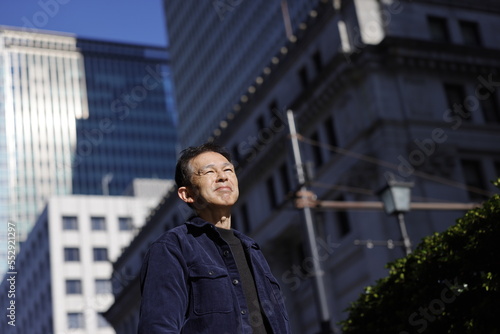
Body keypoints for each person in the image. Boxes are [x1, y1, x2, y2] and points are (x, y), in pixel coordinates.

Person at [138, 143, 291, 334]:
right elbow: (158, 327)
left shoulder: (252, 250)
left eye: (228, 170)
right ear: (188, 194)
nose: (223, 177)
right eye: (210, 172)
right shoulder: (172, 246)